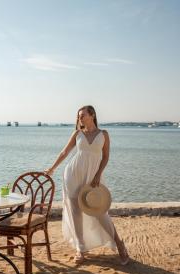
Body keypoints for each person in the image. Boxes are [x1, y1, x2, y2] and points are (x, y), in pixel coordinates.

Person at [44, 105, 129, 265]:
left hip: (93, 177)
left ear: (92, 115)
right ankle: (80, 249)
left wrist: (98, 175)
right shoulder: (78, 134)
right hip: (73, 175)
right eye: (78, 116)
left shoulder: (104, 134)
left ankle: (119, 244)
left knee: (100, 211)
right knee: (75, 212)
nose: (80, 119)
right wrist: (52, 168)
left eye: (82, 115)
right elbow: (64, 153)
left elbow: (105, 157)